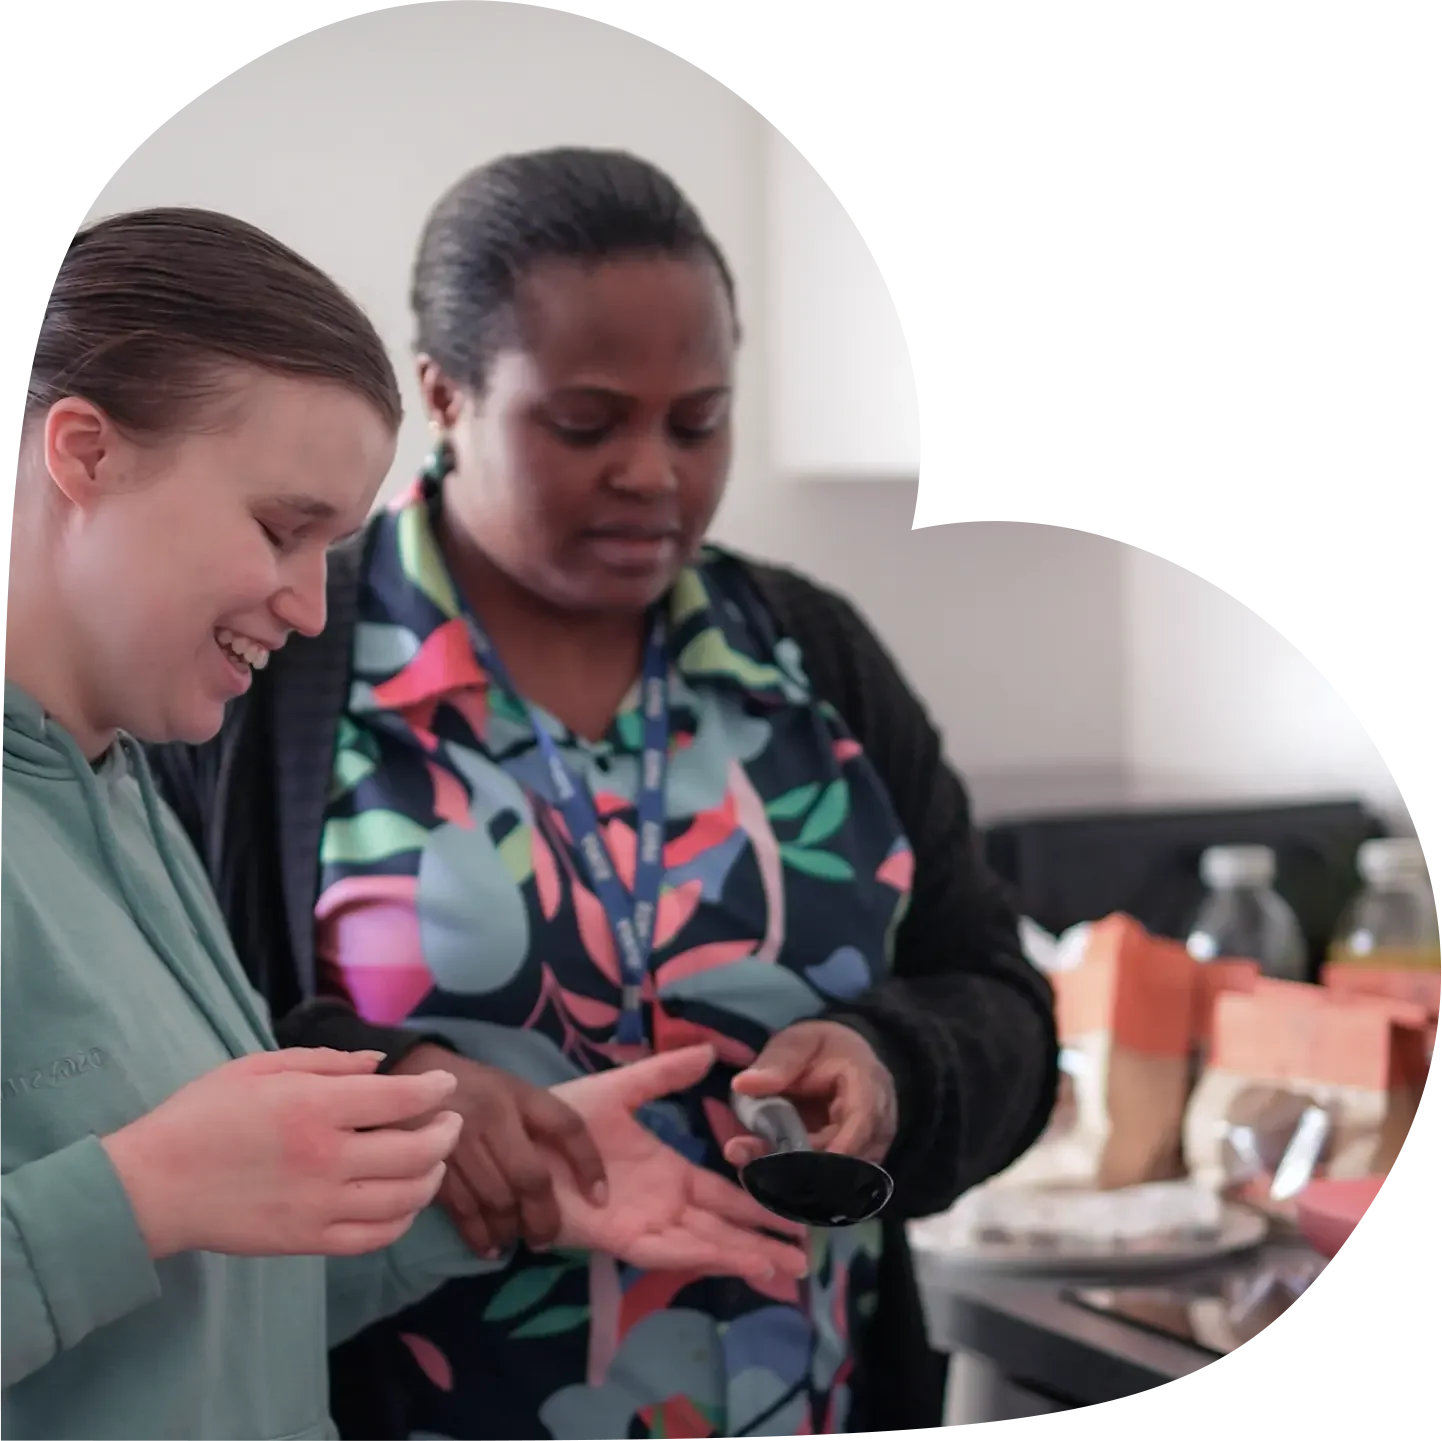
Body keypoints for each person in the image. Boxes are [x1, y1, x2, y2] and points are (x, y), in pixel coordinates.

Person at [148, 151, 1059, 1441]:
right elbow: (158, 1061)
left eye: (697, 422)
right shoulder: (276, 662)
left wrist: (891, 1064)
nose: (652, 472)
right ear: (445, 395)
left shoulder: (813, 660)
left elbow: (1000, 996)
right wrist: (391, 1081)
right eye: (585, 424)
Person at [0, 206, 807, 1441]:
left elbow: (207, 1312)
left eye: (330, 543)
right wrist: (144, 1191)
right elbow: (142, 1218)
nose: (314, 609)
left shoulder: (126, 797)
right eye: (280, 529)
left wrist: (492, 1196)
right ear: (86, 454)